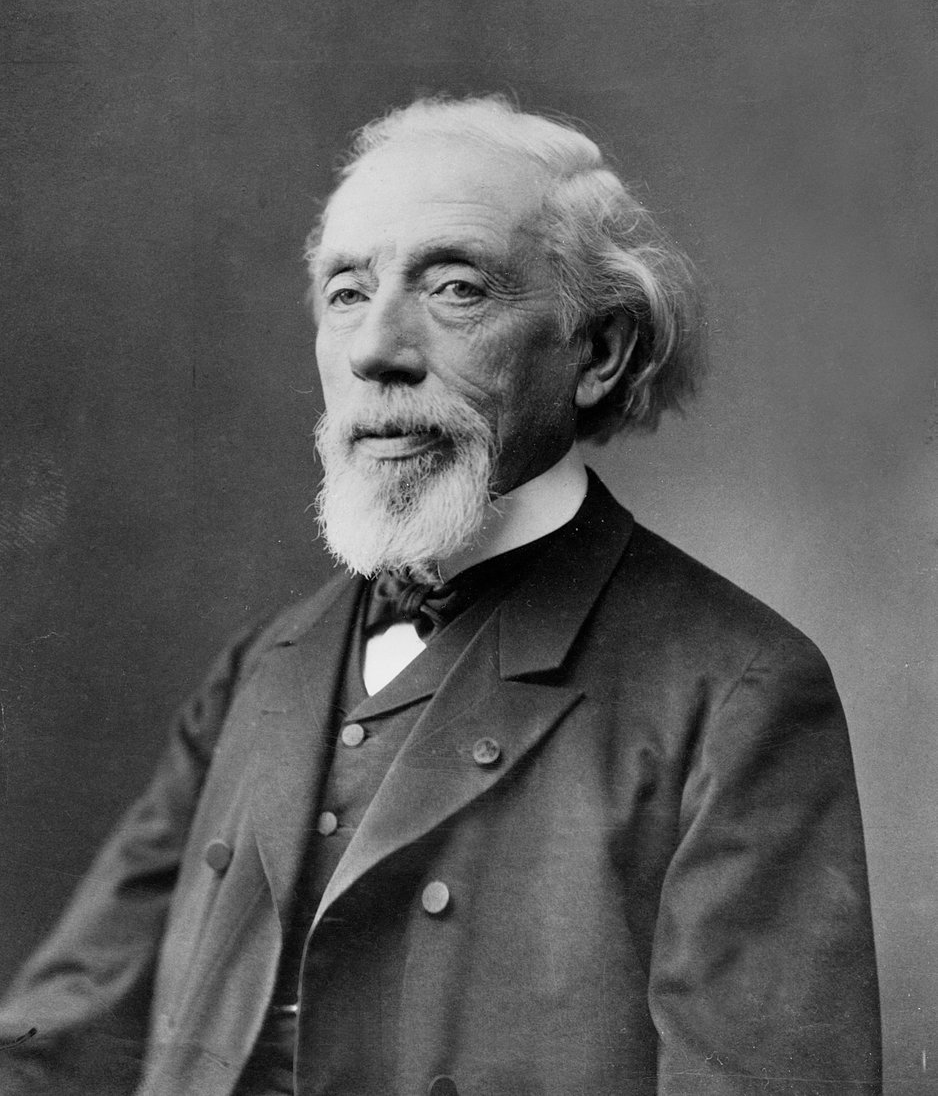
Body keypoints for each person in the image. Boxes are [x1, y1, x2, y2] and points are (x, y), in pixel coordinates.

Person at [0, 95, 881, 1096]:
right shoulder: (262, 667)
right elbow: (55, 1045)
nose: (375, 349)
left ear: (596, 353)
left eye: (456, 289)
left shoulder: (733, 691)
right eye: (346, 293)